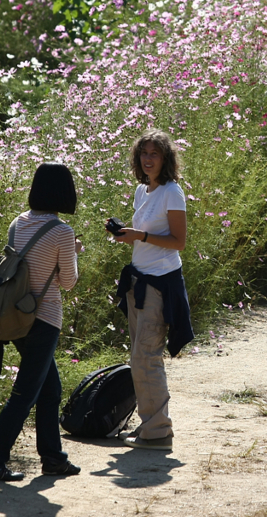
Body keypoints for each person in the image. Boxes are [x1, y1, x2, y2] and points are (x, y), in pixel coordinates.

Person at [0, 163, 83, 481]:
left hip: (15, 318)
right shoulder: (62, 232)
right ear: (64, 192)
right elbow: (68, 282)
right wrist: (74, 252)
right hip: (44, 318)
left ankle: (53, 457)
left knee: (50, 388)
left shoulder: (17, 223)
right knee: (24, 394)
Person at [109, 129, 194, 452]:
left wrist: (140, 236)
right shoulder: (142, 191)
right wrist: (126, 235)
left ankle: (158, 431)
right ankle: (151, 425)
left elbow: (179, 242)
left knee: (147, 357)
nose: (147, 159)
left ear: (166, 159)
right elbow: (142, 234)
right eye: (143, 153)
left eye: (154, 154)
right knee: (140, 357)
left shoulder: (172, 192)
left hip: (160, 283)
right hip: (138, 281)